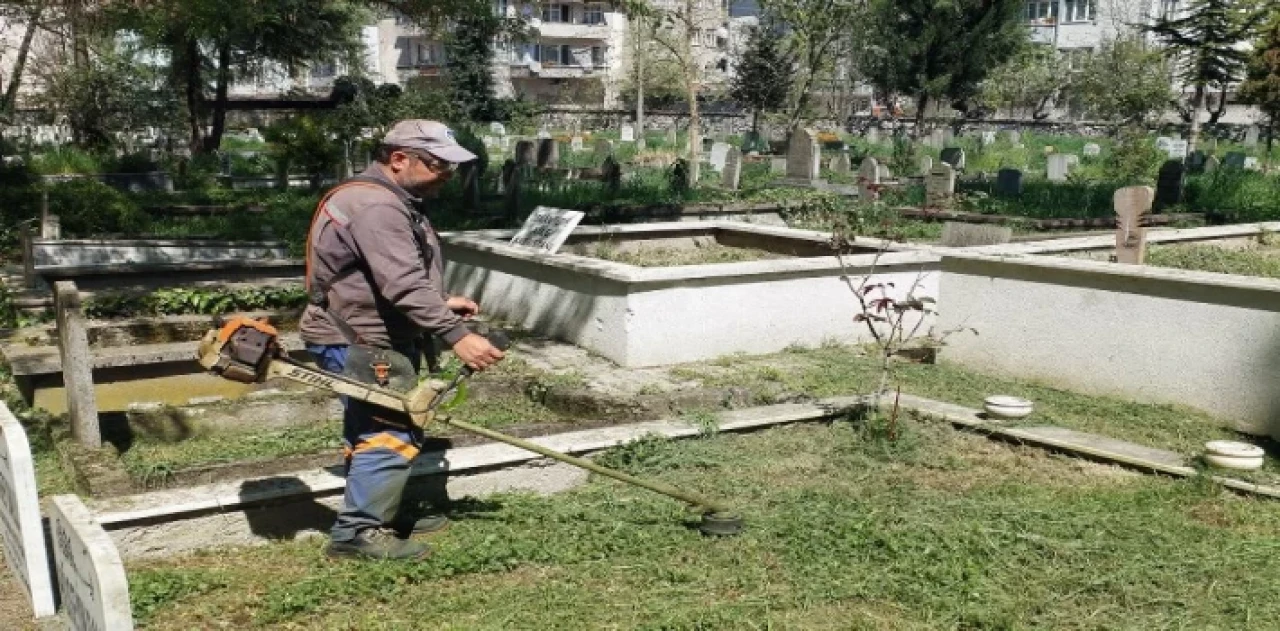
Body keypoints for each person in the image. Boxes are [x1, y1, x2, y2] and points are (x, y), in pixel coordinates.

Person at [301, 120, 505, 560]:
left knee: (370, 425)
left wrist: (441, 301)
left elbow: (380, 276)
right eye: (438, 166)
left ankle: (381, 508)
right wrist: (456, 336)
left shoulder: (384, 198)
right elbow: (402, 285)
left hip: (364, 332)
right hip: (361, 340)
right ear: (399, 159)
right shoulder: (377, 206)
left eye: (451, 168)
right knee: (390, 429)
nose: (446, 176)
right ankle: (357, 533)